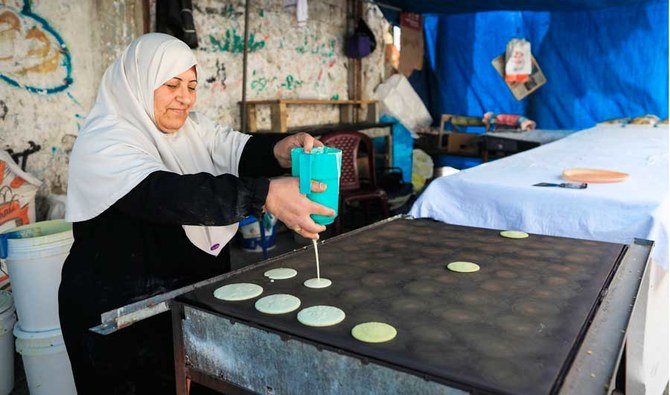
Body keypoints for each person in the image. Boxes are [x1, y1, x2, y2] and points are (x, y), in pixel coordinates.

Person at [59, 33, 333, 394]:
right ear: (137, 83)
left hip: (183, 303)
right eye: (172, 85)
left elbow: (237, 148)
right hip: (120, 317)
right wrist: (264, 195)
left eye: (191, 85)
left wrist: (279, 150)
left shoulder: (193, 128)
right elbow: (166, 195)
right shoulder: (105, 141)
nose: (185, 97)